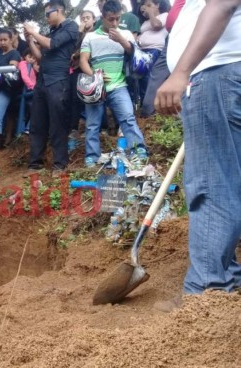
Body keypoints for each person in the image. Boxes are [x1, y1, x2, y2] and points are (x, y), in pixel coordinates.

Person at [155, 0, 241, 295]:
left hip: (216, 73)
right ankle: (227, 276)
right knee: (228, 180)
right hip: (226, 76)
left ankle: (208, 291)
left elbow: (222, 4)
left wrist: (181, 72)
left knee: (212, 184)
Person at [80, 0, 148, 168]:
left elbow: (135, 54)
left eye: (117, 19)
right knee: (93, 124)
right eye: (111, 19)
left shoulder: (125, 34)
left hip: (119, 85)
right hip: (96, 87)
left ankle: (138, 150)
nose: (115, 23)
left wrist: (121, 40)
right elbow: (83, 61)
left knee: (127, 117)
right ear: (102, 17)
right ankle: (91, 157)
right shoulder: (90, 36)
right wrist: (96, 77)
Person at [23, 0, 79, 176]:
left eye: (49, 13)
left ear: (60, 10)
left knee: (57, 123)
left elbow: (52, 44)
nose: (46, 17)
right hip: (43, 81)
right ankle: (35, 164)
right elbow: (40, 57)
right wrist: (30, 40)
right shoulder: (50, 32)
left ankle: (59, 164)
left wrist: (34, 31)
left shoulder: (70, 26)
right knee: (37, 123)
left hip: (59, 80)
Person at [0, 29, 22, 151]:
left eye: (5, 40)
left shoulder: (14, 54)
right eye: (0, 40)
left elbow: (10, 70)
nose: (2, 42)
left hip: (5, 90)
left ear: (11, 40)